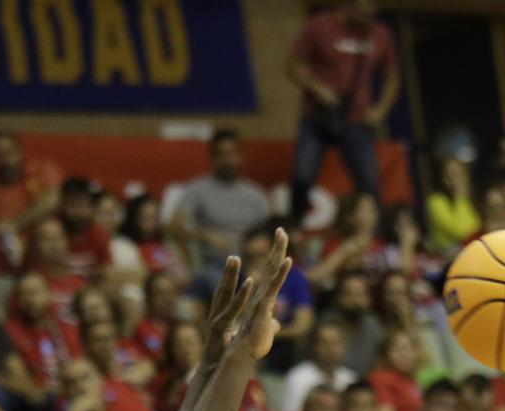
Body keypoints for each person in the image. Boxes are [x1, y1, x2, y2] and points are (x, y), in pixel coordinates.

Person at [285, 0, 399, 221]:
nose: (367, 17)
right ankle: (293, 229)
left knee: (370, 184)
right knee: (302, 177)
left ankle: (372, 237)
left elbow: (392, 76)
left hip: (357, 121)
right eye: (362, 11)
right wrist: (318, 89)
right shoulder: (320, 26)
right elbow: (292, 65)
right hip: (318, 116)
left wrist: (381, 110)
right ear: (348, 5)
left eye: (371, 12)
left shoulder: (379, 33)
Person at [171, 130, 273, 279]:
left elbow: (270, 231)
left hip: (250, 265)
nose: (227, 160)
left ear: (240, 156)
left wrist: (256, 245)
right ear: (213, 158)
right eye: (222, 155)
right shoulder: (197, 190)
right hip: (212, 266)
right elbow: (176, 225)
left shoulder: (255, 194)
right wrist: (204, 235)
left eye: (232, 154)